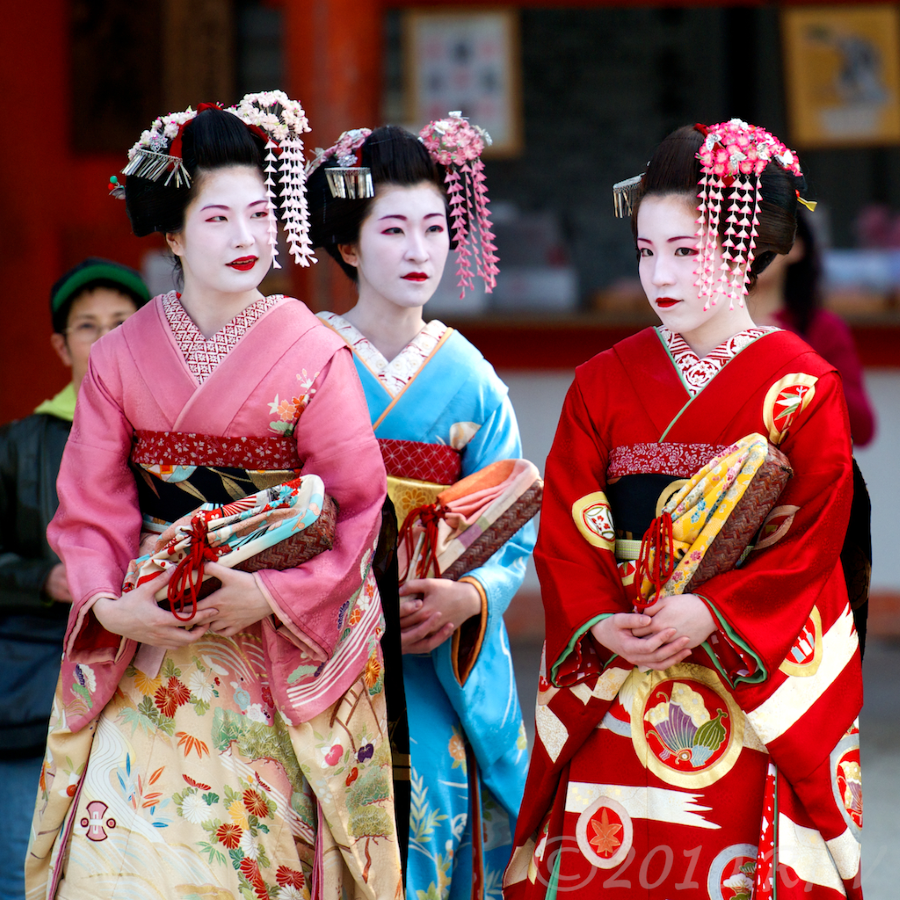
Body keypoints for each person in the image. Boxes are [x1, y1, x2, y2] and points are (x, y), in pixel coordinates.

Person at [27, 94, 403, 900]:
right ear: (172, 234)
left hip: (272, 638)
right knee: (127, 862)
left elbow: (355, 507)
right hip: (152, 632)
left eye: (261, 215)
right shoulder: (120, 356)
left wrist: (268, 594)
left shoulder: (313, 350)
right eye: (218, 218)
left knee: (257, 864)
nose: (246, 238)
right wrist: (110, 608)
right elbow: (91, 509)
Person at [505, 121, 863, 899]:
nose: (659, 275)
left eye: (684, 251)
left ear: (744, 245)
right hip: (621, 669)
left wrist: (712, 613)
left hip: (742, 681)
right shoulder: (602, 381)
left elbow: (810, 544)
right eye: (646, 251)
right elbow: (570, 522)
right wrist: (600, 621)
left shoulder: (803, 385)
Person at [307, 118, 534, 900]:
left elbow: (511, 524)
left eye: (435, 228)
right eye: (394, 229)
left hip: (432, 647)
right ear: (347, 244)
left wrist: (469, 596)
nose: (419, 250)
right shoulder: (306, 361)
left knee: (436, 812)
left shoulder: (472, 378)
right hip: (322, 641)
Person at [0, 258, 148, 900]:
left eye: (122, 323)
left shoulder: (170, 439)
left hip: (145, 676)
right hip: (37, 681)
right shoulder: (18, 443)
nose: (106, 338)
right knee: (21, 863)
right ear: (62, 347)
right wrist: (43, 579)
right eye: (88, 326)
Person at [751, 211, 876, 447]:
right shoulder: (703, 326)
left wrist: (796, 354)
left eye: (765, 234)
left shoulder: (824, 328)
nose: (751, 247)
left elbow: (862, 429)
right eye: (741, 235)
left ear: (796, 247)